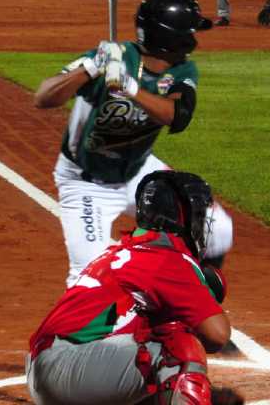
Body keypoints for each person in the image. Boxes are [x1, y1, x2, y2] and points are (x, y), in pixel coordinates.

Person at [34, 0, 234, 287]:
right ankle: (74, 332)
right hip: (86, 181)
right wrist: (90, 69)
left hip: (138, 170)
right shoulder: (110, 59)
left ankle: (198, 302)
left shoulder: (182, 70)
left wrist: (129, 88)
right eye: (189, 32)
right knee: (89, 279)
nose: (194, 40)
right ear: (171, 38)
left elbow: (176, 116)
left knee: (216, 227)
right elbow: (44, 97)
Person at [26, 170, 244, 405]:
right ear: (181, 217)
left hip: (54, 367)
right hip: (65, 367)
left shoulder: (128, 249)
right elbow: (217, 336)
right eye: (198, 214)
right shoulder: (166, 258)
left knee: (159, 337)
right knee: (178, 347)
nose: (202, 222)